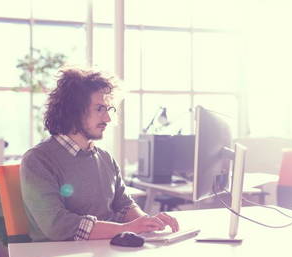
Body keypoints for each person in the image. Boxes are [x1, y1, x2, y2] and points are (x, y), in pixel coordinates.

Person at [20, 68, 179, 242]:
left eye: (108, 109)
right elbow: (57, 225)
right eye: (99, 109)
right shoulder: (38, 160)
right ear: (74, 110)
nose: (108, 119)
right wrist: (125, 229)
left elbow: (125, 205)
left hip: (104, 252)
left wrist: (148, 222)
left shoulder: (105, 158)